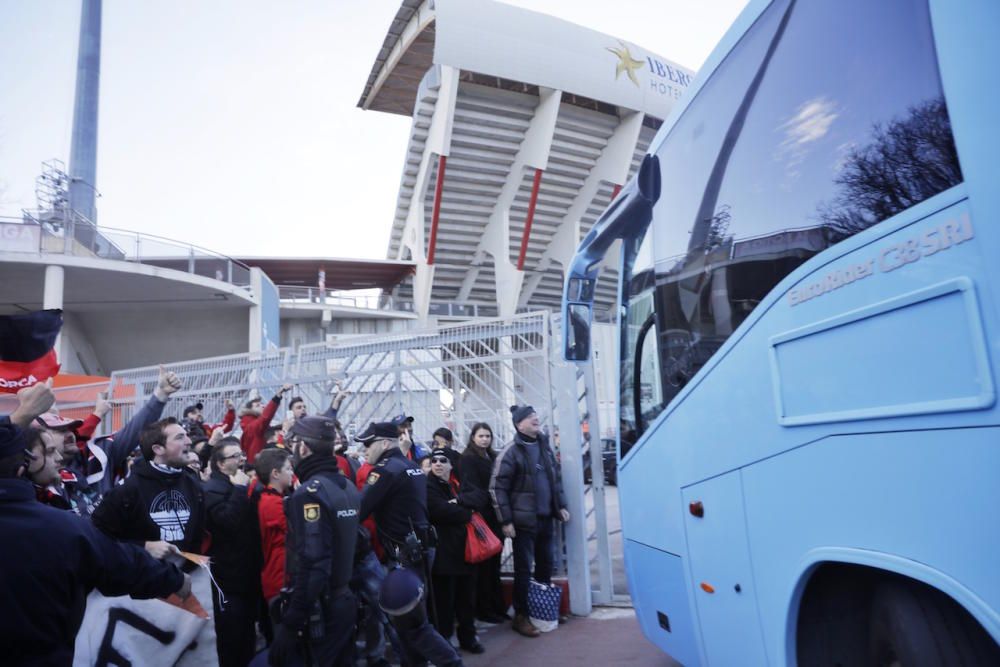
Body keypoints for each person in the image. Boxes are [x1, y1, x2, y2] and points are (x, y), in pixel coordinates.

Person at [0, 385, 193, 665]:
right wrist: (174, 580)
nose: (58, 456)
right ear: (24, 465)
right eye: (48, 449)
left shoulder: (69, 508)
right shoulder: (63, 529)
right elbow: (118, 563)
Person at [357, 421, 463, 667]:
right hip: (419, 549)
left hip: (405, 554)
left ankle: (452, 663)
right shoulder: (409, 465)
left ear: (384, 443)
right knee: (408, 620)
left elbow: (360, 509)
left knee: (412, 624)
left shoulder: (384, 470)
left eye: (368, 444)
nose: (365, 450)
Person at [269, 416, 360, 667]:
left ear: (304, 447)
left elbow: (314, 562)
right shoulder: (347, 487)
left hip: (322, 609)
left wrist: (292, 622)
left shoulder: (310, 494)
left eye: (293, 442)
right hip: (344, 601)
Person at [490, 405, 570, 638]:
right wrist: (505, 521)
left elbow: (555, 480)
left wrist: (561, 506)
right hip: (523, 524)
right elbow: (497, 488)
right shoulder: (511, 452)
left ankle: (542, 611)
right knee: (523, 571)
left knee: (545, 565)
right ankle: (521, 616)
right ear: (519, 424)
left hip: (546, 519)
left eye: (535, 415)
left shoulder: (545, 447)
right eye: (529, 417)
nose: (535, 419)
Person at [93, 417, 207, 559]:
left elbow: (198, 537)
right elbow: (97, 538)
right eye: (180, 438)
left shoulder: (193, 485)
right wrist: (143, 547)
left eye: (187, 436)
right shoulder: (127, 490)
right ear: (158, 449)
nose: (189, 442)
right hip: (140, 578)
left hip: (185, 578)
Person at [204, 437, 262, 667]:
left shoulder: (235, 485)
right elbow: (228, 521)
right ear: (220, 464)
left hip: (246, 574)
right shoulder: (211, 490)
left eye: (241, 455)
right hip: (228, 577)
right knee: (232, 640)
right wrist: (240, 489)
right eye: (234, 456)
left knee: (248, 636)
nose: (240, 460)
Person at [426, 448, 484, 654]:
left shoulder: (459, 482)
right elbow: (439, 511)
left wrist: (459, 501)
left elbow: (479, 497)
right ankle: (445, 643)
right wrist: (467, 512)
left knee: (467, 599)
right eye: (434, 460)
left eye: (443, 460)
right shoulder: (428, 485)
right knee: (444, 603)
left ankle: (468, 638)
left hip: (467, 551)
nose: (438, 463)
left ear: (451, 464)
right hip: (444, 553)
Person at [458, 422, 508, 623]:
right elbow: (472, 489)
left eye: (488, 436)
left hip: (496, 516)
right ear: (473, 438)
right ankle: (485, 609)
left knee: (494, 566)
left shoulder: (494, 457)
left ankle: (497, 606)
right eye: (481, 436)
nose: (485, 439)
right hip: (482, 518)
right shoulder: (468, 459)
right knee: (484, 568)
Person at [253, 447, 293, 606]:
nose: (292, 473)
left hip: (280, 576)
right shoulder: (272, 503)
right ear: (275, 473)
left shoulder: (272, 498)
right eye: (288, 469)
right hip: (280, 578)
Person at [240, 384, 293, 464]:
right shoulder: (252, 427)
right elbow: (265, 417)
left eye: (262, 404)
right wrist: (277, 396)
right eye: (258, 405)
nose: (262, 406)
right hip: (261, 466)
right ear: (249, 410)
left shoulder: (257, 426)